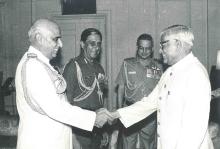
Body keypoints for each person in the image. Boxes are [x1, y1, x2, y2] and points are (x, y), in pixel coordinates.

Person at [110, 25, 214, 149]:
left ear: (178, 44)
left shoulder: (195, 73)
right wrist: (115, 114)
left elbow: (194, 131)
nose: (160, 51)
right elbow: (149, 103)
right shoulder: (168, 73)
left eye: (164, 45)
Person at [15, 19, 111, 149]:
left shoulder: (42, 65)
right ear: (39, 38)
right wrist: (93, 118)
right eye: (56, 39)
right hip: (42, 143)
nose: (60, 44)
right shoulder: (33, 67)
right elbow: (56, 108)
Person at [63, 28, 108, 149]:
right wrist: (72, 136)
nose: (96, 47)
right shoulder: (73, 66)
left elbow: (99, 99)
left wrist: (103, 130)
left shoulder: (99, 68)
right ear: (82, 44)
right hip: (79, 127)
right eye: (92, 43)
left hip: (96, 126)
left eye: (98, 44)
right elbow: (65, 104)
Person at [115, 33, 162, 149]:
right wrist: (119, 111)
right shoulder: (127, 64)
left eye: (147, 48)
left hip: (149, 114)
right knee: (128, 144)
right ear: (137, 48)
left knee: (148, 144)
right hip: (130, 110)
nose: (144, 51)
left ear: (152, 49)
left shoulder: (158, 66)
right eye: (141, 48)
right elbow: (121, 87)